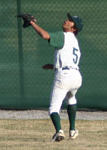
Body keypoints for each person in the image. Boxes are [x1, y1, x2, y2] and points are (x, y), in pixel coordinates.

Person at [30, 13, 83, 142]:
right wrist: (53, 65)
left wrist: (32, 23)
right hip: (76, 76)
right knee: (71, 98)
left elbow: (45, 35)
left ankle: (59, 131)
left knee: (53, 108)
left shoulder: (64, 36)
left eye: (70, 21)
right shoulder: (75, 42)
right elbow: (68, 60)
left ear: (74, 28)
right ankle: (72, 130)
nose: (67, 20)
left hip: (64, 77)